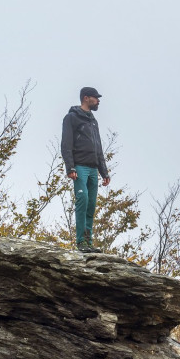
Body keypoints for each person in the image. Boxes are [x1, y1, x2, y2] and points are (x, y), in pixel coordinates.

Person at [61, 86, 111, 252]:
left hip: (93, 169)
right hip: (79, 167)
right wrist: (70, 167)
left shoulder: (93, 121)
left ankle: (89, 243)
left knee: (91, 205)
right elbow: (66, 144)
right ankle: (81, 242)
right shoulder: (71, 118)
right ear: (86, 98)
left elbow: (99, 147)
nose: (98, 101)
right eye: (95, 98)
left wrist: (104, 171)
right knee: (82, 201)